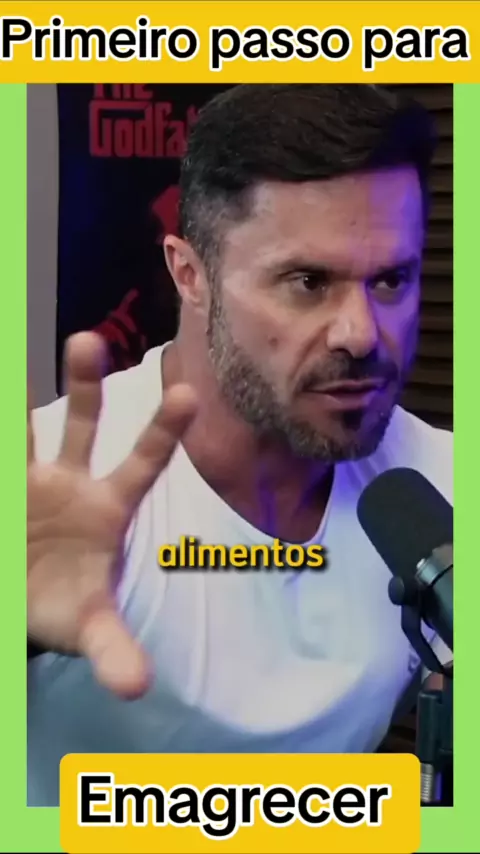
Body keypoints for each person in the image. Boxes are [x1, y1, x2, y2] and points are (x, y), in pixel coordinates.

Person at [27, 84, 453, 807]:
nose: (361, 333)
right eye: (307, 281)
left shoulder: (441, 489)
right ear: (189, 275)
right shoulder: (48, 492)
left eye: (391, 279)